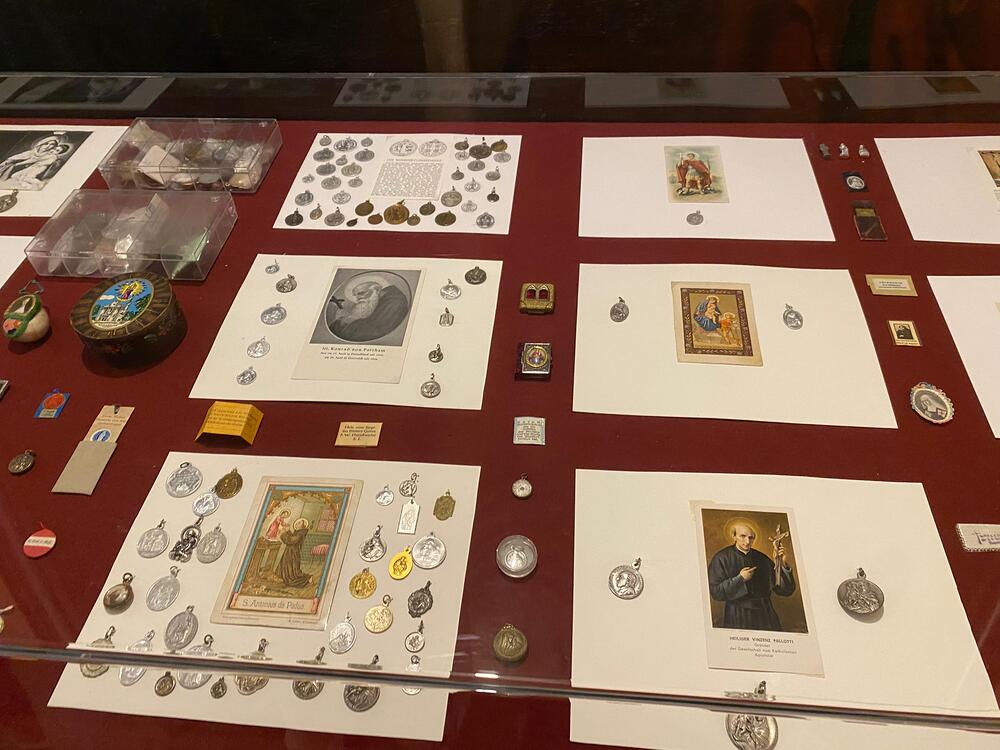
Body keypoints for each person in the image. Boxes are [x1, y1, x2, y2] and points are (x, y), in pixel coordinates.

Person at [707, 522, 795, 631]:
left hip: (765, 613)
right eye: (742, 536)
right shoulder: (721, 558)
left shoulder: (762, 559)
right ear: (734, 536)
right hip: (737, 614)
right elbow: (716, 592)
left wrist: (782, 563)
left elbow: (784, 590)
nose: (747, 541)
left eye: (751, 537)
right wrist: (740, 579)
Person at [327, 276, 409, 342]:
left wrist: (353, 320)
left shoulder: (395, 302)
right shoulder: (374, 302)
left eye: (361, 293)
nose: (358, 299)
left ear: (377, 289)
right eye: (356, 296)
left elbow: (376, 332)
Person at [278, 517, 313, 588]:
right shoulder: (298, 532)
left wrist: (284, 533)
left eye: (299, 523)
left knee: (293, 570)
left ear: (303, 525)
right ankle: (283, 578)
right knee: (287, 566)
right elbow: (292, 537)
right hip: (290, 551)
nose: (296, 524)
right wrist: (288, 531)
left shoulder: (301, 533)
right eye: (296, 523)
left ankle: (308, 579)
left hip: (293, 553)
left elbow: (291, 540)